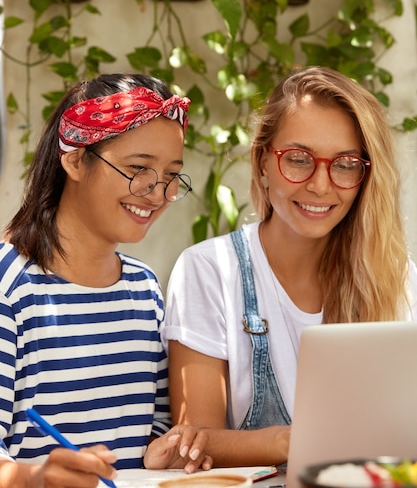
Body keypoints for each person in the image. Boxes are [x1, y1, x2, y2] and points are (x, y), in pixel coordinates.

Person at [162, 66, 417, 467]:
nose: (320, 184)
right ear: (263, 162)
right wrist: (293, 441)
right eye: (298, 159)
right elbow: (193, 446)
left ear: (367, 175)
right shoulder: (209, 270)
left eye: (346, 163)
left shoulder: (394, 276)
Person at [0, 73, 212, 488]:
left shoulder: (144, 290)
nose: (157, 193)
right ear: (75, 159)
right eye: (138, 169)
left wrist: (156, 450)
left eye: (171, 175)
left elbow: (152, 426)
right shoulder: (10, 289)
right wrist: (35, 477)